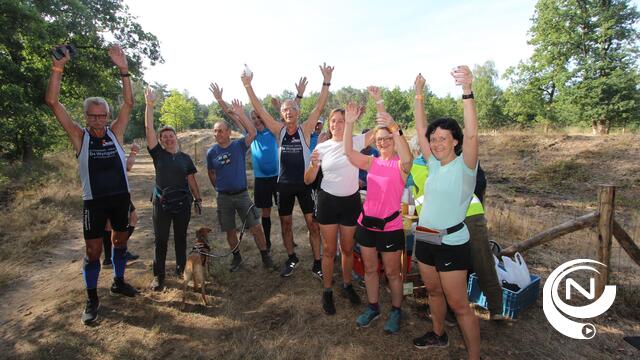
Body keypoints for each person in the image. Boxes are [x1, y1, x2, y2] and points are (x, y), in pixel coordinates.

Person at [45, 45, 137, 325]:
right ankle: (91, 298)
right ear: (85, 117)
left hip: (120, 198)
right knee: (93, 252)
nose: (98, 120)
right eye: (92, 116)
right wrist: (57, 69)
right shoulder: (79, 136)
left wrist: (123, 70)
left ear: (107, 117)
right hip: (94, 202)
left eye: (101, 115)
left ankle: (118, 282)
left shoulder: (115, 132)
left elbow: (129, 103)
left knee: (120, 242)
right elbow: (53, 103)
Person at [411, 69, 481, 359]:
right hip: (426, 235)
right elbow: (419, 129)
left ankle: (475, 356)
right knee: (433, 291)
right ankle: (438, 335)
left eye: (443, 139)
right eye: (434, 139)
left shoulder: (465, 167)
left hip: (452, 241)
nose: (437, 143)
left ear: (456, 141)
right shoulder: (433, 164)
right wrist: (418, 94)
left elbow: (473, 132)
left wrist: (467, 90)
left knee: (460, 304)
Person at [242, 64, 334, 278]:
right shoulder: (278, 130)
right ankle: (291, 258)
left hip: (305, 183)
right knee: (285, 223)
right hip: (283, 184)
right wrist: (248, 85)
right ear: (281, 115)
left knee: (313, 224)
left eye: (293, 108)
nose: (289, 112)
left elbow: (320, 106)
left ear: (298, 112)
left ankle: (317, 263)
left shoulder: (306, 128)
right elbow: (260, 109)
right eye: (285, 110)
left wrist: (326, 81)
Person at [408, 139, 505, 321]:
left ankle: (496, 307)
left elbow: (477, 181)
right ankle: (445, 311)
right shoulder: (415, 166)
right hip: (431, 223)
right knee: (433, 265)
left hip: (468, 216)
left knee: (481, 259)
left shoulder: (453, 160)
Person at [343, 95, 413, 334]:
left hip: (390, 227)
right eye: (379, 139)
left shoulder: (401, 165)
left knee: (393, 272)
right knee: (371, 269)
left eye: (387, 139)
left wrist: (393, 125)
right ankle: (373, 307)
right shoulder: (372, 162)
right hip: (367, 225)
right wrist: (350, 123)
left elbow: (408, 156)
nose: (382, 142)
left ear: (394, 139)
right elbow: (349, 153)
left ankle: (395, 310)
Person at [215, 79, 306, 251]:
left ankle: (290, 240)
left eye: (258, 117)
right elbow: (233, 117)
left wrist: (299, 95)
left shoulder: (274, 132)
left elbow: (290, 114)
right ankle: (268, 242)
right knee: (265, 213)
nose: (256, 120)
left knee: (284, 213)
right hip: (261, 179)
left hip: (278, 178)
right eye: (253, 118)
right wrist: (220, 100)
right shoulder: (251, 134)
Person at [304, 103, 373, 315]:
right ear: (329, 124)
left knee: (347, 248)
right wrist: (314, 166)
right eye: (333, 121)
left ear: (348, 122)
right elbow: (308, 180)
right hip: (328, 202)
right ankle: (327, 290)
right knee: (328, 250)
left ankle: (347, 285)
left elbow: (380, 130)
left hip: (351, 201)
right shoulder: (321, 147)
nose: (336, 124)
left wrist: (377, 104)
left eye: (341, 121)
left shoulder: (355, 142)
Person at [205, 91, 275, 271]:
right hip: (223, 197)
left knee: (256, 227)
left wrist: (239, 112)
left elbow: (252, 131)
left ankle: (265, 256)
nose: (217, 133)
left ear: (229, 132)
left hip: (242, 195)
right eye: (215, 131)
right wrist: (219, 188)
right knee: (229, 230)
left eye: (221, 130)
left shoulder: (238, 145)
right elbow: (211, 172)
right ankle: (236, 257)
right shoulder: (211, 152)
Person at [144, 87, 203, 292]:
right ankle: (158, 276)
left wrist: (198, 199)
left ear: (176, 137)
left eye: (171, 136)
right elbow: (149, 129)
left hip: (183, 203)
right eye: (165, 137)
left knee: (180, 238)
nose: (168, 139)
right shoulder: (158, 154)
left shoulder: (185, 158)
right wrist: (149, 105)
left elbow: (192, 180)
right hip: (161, 204)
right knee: (161, 240)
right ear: (161, 141)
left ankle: (180, 268)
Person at [102, 143, 140, 266]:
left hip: (101, 192)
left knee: (108, 225)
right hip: (117, 192)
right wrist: (134, 152)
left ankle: (109, 258)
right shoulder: (112, 147)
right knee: (132, 218)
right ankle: (118, 251)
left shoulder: (97, 147)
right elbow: (127, 166)